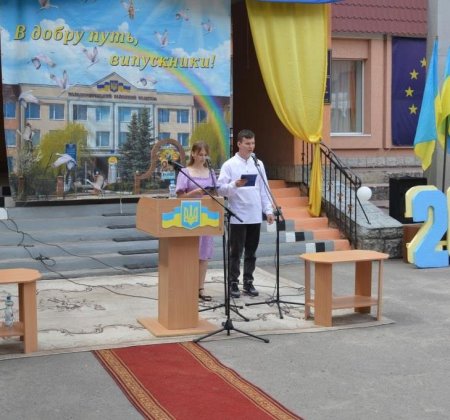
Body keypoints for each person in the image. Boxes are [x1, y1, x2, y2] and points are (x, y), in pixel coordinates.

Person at [217, 129, 274, 298]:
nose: (251, 147)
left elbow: (264, 189)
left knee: (251, 252)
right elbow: (220, 189)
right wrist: (234, 184)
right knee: (236, 252)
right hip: (238, 215)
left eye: (253, 143)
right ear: (239, 144)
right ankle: (233, 282)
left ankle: (248, 282)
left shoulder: (258, 163)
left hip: (254, 214)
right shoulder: (229, 165)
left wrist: (268, 210)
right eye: (247, 143)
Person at [175, 141, 218, 302]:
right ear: (193, 154)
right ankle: (187, 286)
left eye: (205, 155)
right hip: (189, 217)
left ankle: (201, 288)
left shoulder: (210, 172)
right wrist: (194, 193)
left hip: (206, 217)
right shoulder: (185, 172)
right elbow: (179, 197)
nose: (203, 158)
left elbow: (216, 193)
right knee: (190, 252)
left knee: (204, 254)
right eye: (200, 154)